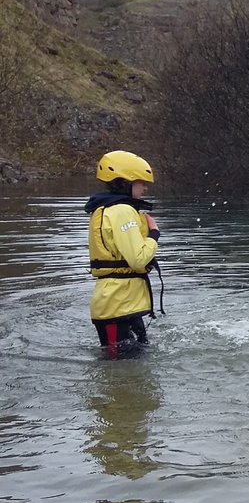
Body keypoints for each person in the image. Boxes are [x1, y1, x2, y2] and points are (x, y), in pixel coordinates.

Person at [85, 150, 162, 358]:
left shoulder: (110, 208)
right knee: (119, 369)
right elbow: (138, 259)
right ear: (126, 182)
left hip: (123, 302)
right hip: (116, 305)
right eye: (141, 182)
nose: (145, 188)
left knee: (137, 363)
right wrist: (154, 235)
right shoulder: (121, 211)